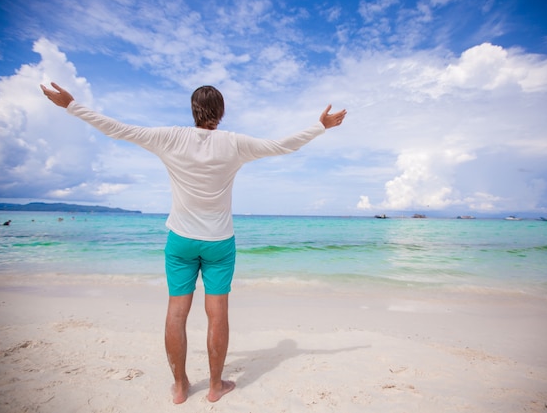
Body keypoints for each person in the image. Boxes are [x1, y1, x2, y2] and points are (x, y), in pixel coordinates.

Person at [40, 82, 346, 404]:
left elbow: (116, 129)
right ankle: (215, 386)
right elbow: (283, 145)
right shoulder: (235, 144)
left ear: (193, 110)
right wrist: (319, 127)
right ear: (221, 113)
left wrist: (71, 106)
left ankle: (181, 386)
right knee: (217, 314)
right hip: (219, 242)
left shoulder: (169, 137)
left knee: (176, 312)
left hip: (181, 240)